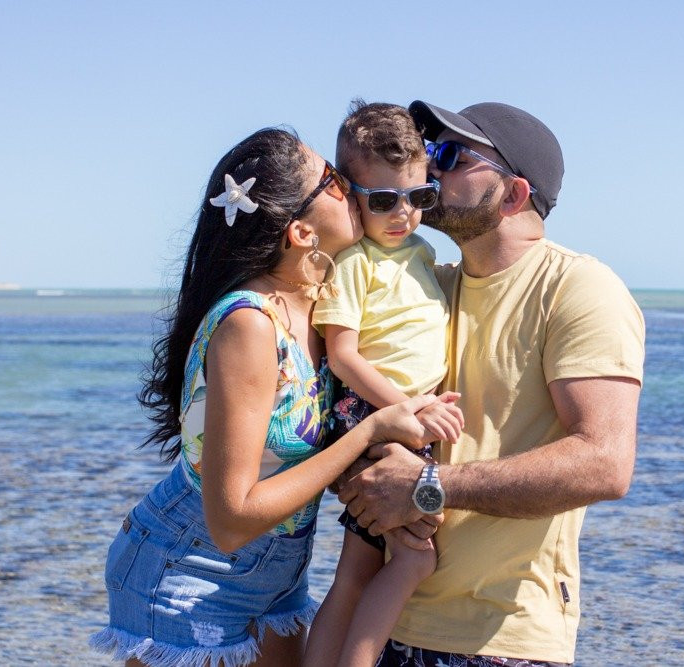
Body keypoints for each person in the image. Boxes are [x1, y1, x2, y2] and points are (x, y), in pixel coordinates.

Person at [89, 127, 460, 667]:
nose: (352, 187)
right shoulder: (250, 324)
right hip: (188, 576)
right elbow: (232, 517)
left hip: (277, 575)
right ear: (302, 233)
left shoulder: (324, 309)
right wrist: (373, 430)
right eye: (335, 182)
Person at [338, 101, 646, 666]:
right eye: (430, 151)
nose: (428, 167)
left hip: (501, 641)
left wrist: (428, 486)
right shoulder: (423, 284)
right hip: (388, 624)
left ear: (515, 195)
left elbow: (606, 462)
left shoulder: (580, 288)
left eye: (452, 155)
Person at [305, 100, 462, 667]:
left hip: (403, 419)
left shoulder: (424, 253)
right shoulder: (355, 263)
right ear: (350, 194)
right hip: (370, 414)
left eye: (420, 197)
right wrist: (409, 408)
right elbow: (343, 356)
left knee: (359, 569)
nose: (404, 214)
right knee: (412, 559)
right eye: (383, 200)